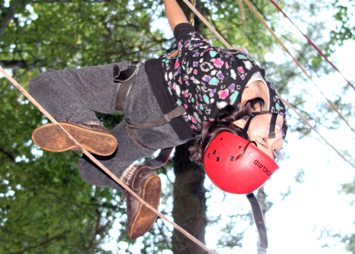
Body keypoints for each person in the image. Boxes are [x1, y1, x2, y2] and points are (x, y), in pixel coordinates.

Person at [28, 0, 287, 240]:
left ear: (239, 126)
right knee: (89, 167)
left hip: (142, 89)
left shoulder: (219, 72)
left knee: (45, 84)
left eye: (264, 140)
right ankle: (136, 179)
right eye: (274, 149)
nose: (277, 137)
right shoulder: (277, 116)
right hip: (165, 133)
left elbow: (182, 28)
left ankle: (83, 124)